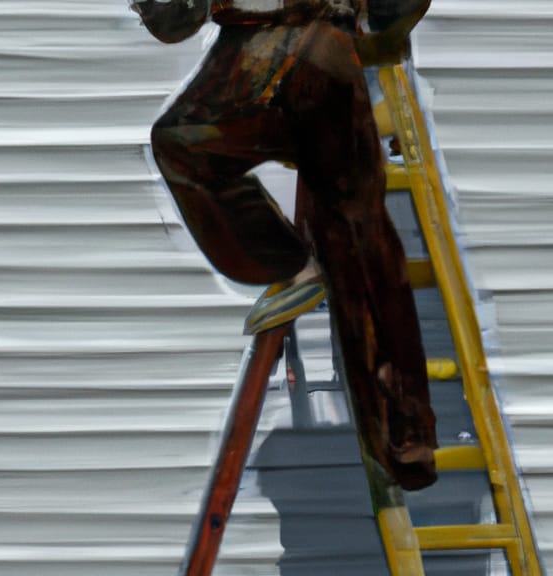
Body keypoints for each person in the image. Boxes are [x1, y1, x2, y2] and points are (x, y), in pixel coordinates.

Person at [131, 0, 437, 490]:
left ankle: (405, 430)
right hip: (247, 68)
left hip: (323, 58)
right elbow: (173, 19)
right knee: (181, 143)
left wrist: (376, 29)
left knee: (353, 226)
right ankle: (290, 265)